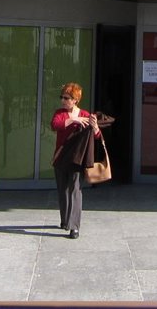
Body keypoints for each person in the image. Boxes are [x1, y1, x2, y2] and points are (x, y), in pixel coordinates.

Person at [50, 82, 101, 240]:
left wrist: (95, 127)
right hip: (61, 156)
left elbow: (97, 136)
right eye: (62, 97)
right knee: (63, 189)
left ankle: (74, 227)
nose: (63, 100)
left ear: (75, 100)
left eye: (67, 98)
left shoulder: (85, 114)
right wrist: (73, 120)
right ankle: (65, 220)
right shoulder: (60, 113)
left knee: (75, 190)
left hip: (77, 158)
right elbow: (55, 125)